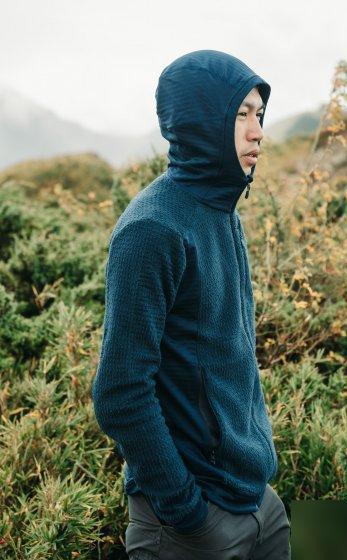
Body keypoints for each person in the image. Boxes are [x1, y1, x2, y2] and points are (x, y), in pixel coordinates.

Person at [92, 49, 291, 559]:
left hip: (257, 502)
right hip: (193, 525)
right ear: (204, 122)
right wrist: (187, 512)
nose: (258, 132)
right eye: (241, 115)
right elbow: (120, 392)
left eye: (260, 114)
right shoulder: (151, 230)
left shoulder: (221, 209)